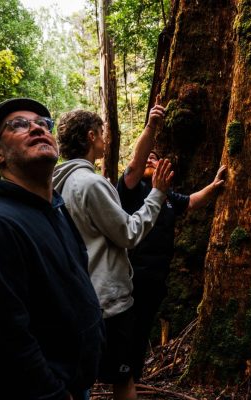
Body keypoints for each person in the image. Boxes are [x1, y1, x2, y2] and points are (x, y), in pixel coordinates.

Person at [0, 98, 105, 400]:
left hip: (74, 384)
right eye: (19, 125)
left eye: (42, 123)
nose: (36, 127)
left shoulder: (56, 211)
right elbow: (3, 345)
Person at [52, 106, 173, 400]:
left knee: (78, 381)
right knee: (124, 377)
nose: (106, 138)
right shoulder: (91, 183)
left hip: (77, 298)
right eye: (102, 132)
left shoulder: (56, 183)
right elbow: (129, 233)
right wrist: (156, 194)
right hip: (107, 301)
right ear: (91, 136)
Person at [115, 104, 226, 383]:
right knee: (125, 334)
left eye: (156, 158)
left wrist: (214, 186)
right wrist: (151, 126)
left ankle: (131, 379)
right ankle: (119, 377)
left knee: (140, 333)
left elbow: (190, 202)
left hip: (156, 279)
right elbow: (135, 164)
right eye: (147, 159)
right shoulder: (130, 190)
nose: (152, 160)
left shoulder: (165, 196)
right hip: (130, 278)